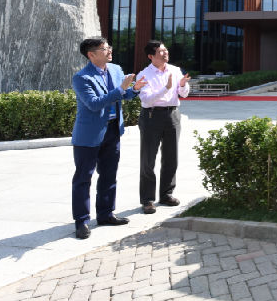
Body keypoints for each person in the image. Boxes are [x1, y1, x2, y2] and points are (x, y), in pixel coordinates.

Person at [71, 37, 146, 239]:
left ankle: (105, 214)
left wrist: (134, 89)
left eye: (108, 47)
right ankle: (82, 221)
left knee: (109, 174)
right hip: (89, 134)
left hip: (113, 130)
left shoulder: (115, 69)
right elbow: (94, 104)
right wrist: (121, 89)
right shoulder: (81, 78)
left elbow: (124, 95)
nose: (109, 50)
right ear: (91, 54)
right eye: (105, 48)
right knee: (83, 178)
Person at [136, 40, 191, 215]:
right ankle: (147, 200)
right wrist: (166, 88)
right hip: (151, 116)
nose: (165, 53)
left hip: (172, 115)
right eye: (161, 51)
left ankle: (166, 194)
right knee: (148, 159)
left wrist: (182, 85)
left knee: (171, 157)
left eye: (165, 50)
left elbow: (184, 94)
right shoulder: (144, 75)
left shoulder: (175, 70)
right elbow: (146, 99)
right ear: (151, 56)